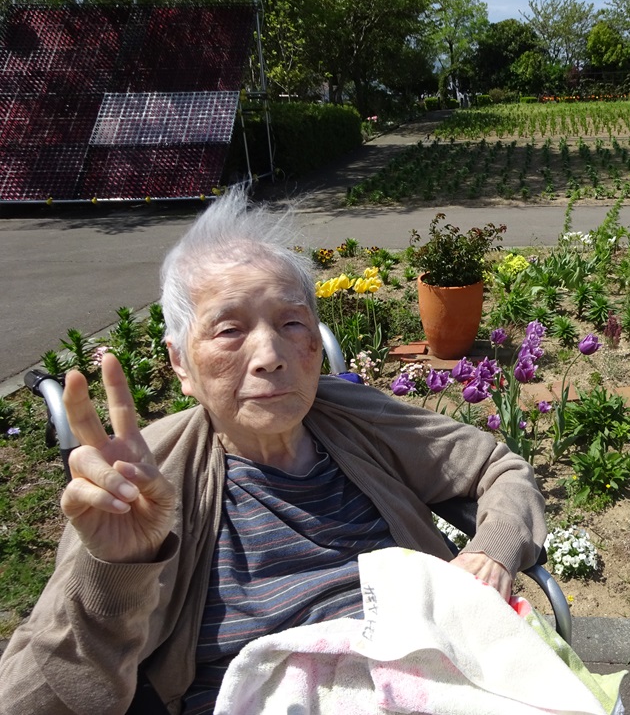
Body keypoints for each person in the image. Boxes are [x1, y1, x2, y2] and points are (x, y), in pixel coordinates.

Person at [0, 190, 547, 714]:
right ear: (180, 362)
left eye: (291, 323)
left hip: (430, 677)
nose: (270, 355)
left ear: (314, 342)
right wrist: (115, 576)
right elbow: (34, 699)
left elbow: (497, 466)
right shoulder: (143, 481)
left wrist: (494, 549)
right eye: (229, 330)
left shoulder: (356, 418)